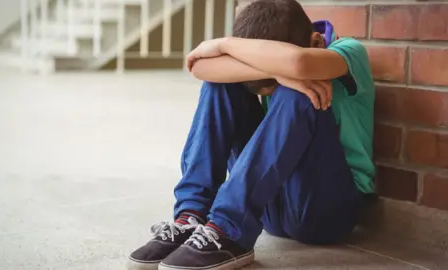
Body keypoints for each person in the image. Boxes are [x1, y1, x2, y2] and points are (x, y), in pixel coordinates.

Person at [127, 0, 375, 269]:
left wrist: (224, 45)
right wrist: (274, 71)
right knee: (221, 84)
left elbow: (299, 63)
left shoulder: (349, 51)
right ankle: (191, 216)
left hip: (327, 211)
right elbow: (200, 68)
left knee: (301, 90)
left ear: (316, 42)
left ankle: (229, 231)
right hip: (271, 207)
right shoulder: (272, 53)